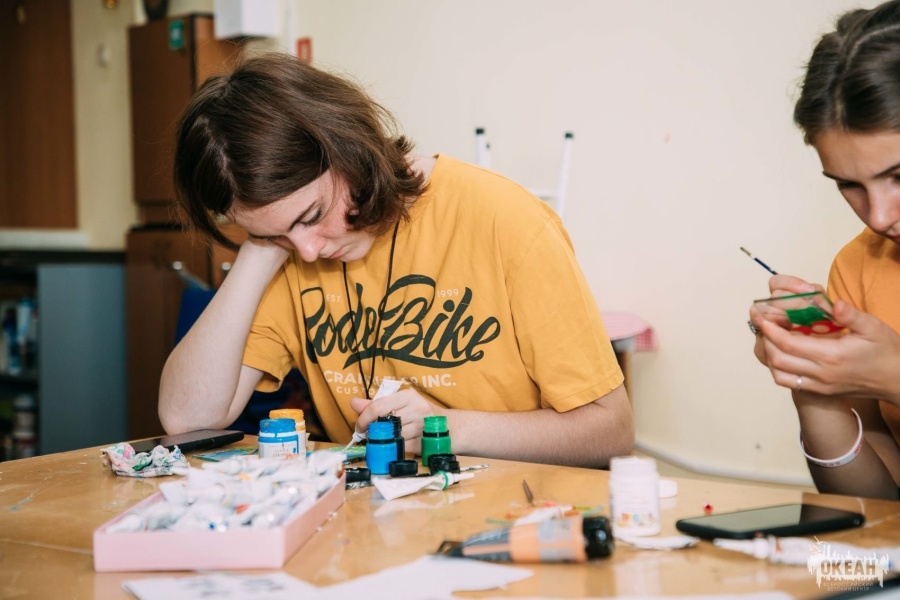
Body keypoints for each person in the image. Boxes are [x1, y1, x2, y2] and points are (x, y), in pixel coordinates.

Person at [158, 52, 633, 468]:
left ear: (350, 150)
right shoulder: (287, 251)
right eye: (275, 234)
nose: (308, 251)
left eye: (312, 215)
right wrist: (259, 250)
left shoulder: (505, 220)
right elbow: (186, 418)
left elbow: (610, 431)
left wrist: (449, 428)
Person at [750, 0, 900, 500]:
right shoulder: (859, 266)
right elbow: (879, 510)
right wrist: (815, 386)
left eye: (898, 176)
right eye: (848, 185)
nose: (878, 217)